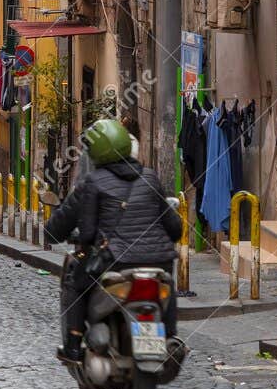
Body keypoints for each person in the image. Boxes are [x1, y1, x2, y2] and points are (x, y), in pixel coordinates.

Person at [45, 119, 183, 364]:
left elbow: (86, 234)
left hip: (116, 262)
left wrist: (57, 233)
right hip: (159, 262)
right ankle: (170, 337)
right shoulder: (151, 178)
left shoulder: (93, 182)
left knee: (74, 282)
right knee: (167, 284)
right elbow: (175, 229)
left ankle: (74, 345)